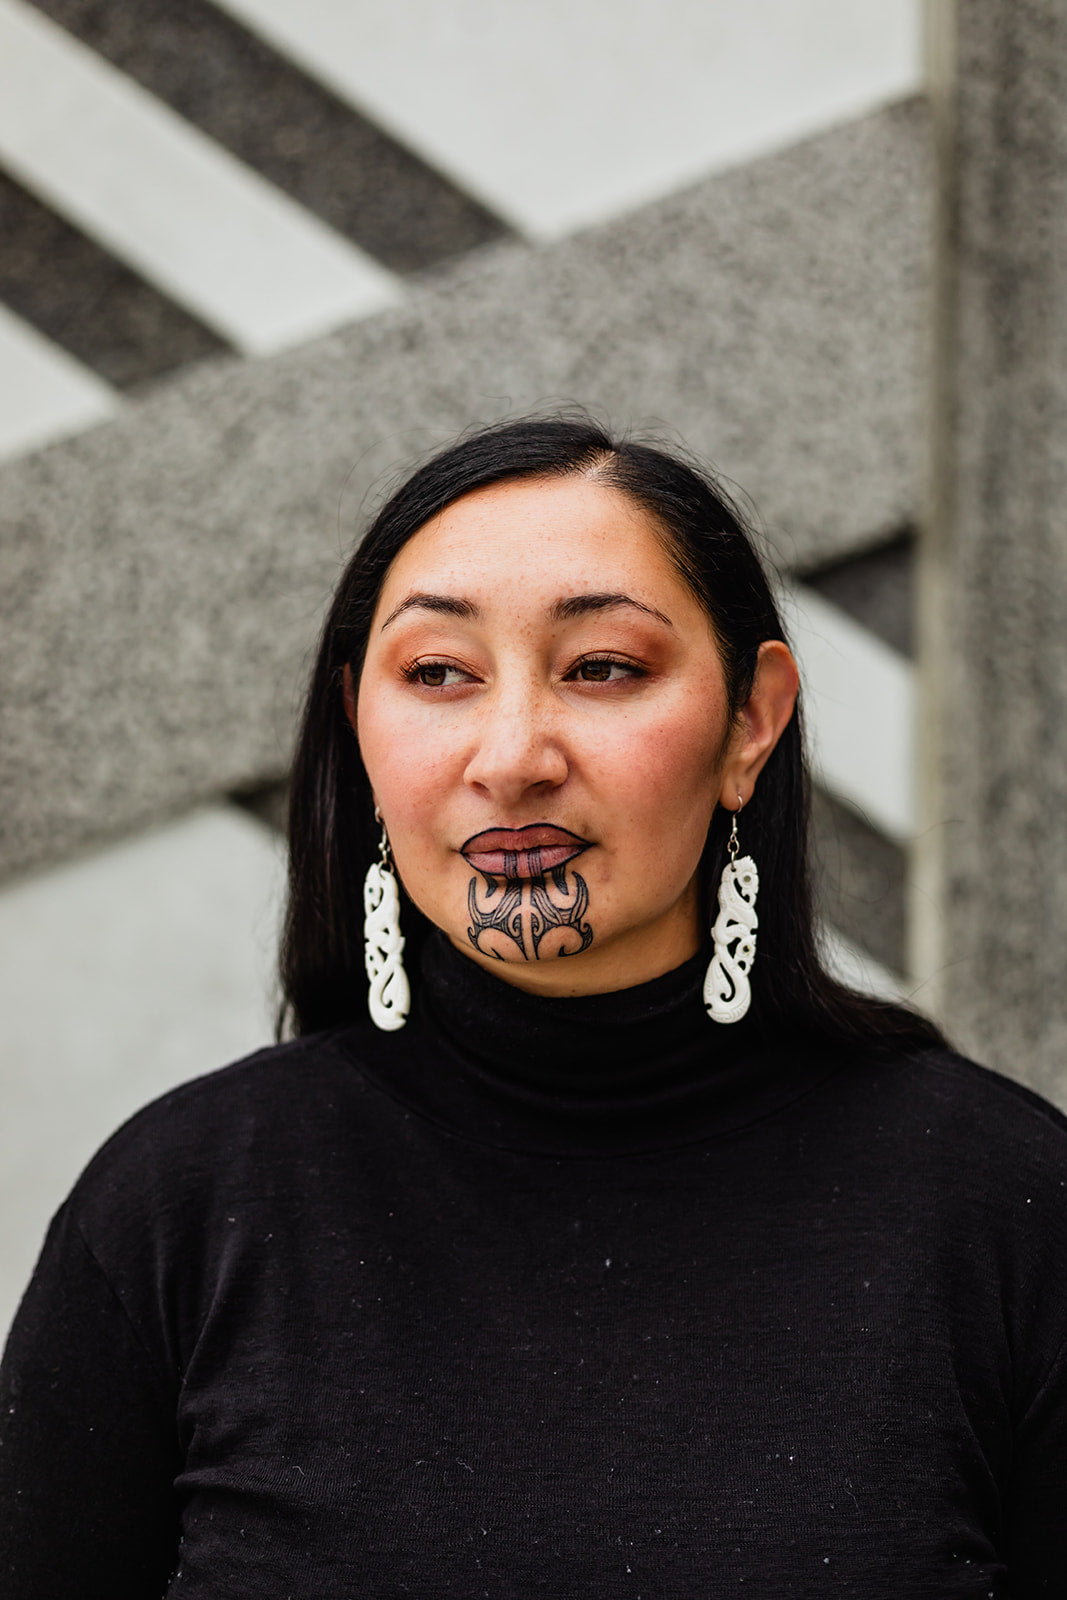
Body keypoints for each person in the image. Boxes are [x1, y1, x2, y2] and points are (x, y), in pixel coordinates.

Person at [2, 416, 1065, 1598]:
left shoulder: (997, 1203)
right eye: (437, 674)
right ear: (359, 724)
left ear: (749, 720)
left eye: (601, 667)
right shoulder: (180, 1210)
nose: (510, 756)